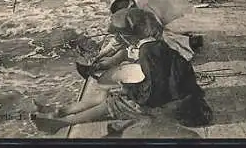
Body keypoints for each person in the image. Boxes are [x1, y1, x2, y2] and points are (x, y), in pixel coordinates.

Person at [32, 7, 212, 133]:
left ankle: (60, 123)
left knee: (114, 104)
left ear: (127, 37)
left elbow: (154, 93)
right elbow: (160, 81)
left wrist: (128, 89)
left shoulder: (148, 52)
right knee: (109, 96)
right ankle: (60, 112)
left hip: (182, 112)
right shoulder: (152, 45)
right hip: (185, 102)